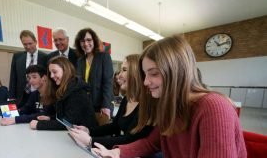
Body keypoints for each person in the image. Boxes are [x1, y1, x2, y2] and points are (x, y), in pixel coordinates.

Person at [92, 35, 247, 158]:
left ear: (177, 71)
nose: (146, 82)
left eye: (153, 73)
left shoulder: (213, 107)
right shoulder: (172, 107)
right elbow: (151, 143)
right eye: (145, 75)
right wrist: (117, 152)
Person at [69, 54, 153, 149]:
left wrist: (91, 141)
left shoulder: (147, 104)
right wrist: (89, 131)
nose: (119, 75)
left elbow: (129, 140)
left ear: (137, 73)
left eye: (124, 70)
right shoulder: (126, 99)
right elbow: (114, 126)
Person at [29, 56, 98, 130]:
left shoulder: (77, 92)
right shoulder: (66, 89)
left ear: (65, 70)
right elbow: (67, 116)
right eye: (50, 73)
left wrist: (39, 125)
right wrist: (50, 118)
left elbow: (68, 123)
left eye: (54, 72)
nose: (51, 76)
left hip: (88, 137)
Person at [75, 28, 114, 125]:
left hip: (101, 106)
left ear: (94, 41)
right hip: (85, 106)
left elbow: (108, 82)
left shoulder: (104, 56)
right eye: (82, 41)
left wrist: (106, 105)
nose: (85, 43)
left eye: (89, 40)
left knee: (101, 137)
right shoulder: (80, 61)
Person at [9, 30, 48, 106]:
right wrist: (11, 96)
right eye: (25, 44)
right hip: (22, 96)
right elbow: (13, 77)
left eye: (30, 43)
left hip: (39, 95)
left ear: (36, 42)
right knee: (21, 114)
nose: (28, 47)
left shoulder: (45, 57)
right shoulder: (17, 57)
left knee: (37, 116)